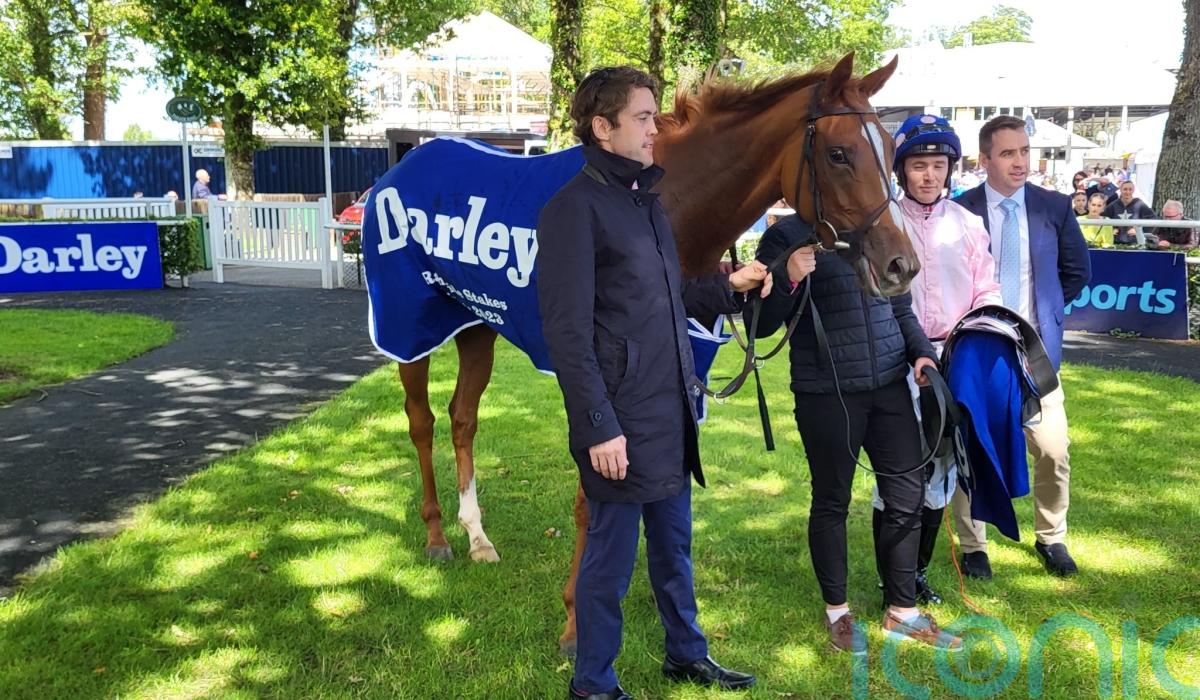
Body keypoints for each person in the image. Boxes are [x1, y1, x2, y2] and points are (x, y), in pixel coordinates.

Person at [537, 65, 760, 700]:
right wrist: (598, 427)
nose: (653, 128)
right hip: (620, 422)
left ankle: (686, 654)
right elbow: (568, 334)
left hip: (669, 409)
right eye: (641, 117)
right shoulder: (572, 210)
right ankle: (593, 682)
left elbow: (669, 297)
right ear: (601, 127)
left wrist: (728, 287)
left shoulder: (647, 202)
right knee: (609, 562)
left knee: (674, 547)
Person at [751, 215, 963, 654]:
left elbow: (900, 307)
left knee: (907, 494)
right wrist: (788, 277)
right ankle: (838, 613)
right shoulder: (784, 236)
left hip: (889, 385)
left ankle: (902, 612)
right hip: (826, 392)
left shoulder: (878, 226)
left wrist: (922, 354)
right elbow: (763, 322)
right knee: (832, 500)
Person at [952, 115, 1090, 579]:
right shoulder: (960, 211)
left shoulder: (1054, 206)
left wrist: (1042, 316)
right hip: (979, 352)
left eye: (1025, 151)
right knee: (973, 445)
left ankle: (1051, 537)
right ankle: (974, 546)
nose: (1020, 161)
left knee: (1053, 449)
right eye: (1008, 153)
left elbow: (1077, 271)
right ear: (985, 159)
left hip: (1036, 353)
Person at [872, 115, 1002, 607]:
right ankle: (892, 580)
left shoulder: (968, 224)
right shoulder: (885, 219)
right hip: (893, 359)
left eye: (938, 165)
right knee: (897, 472)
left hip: (952, 358)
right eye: (918, 166)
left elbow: (986, 290)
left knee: (941, 472)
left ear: (950, 169)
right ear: (901, 171)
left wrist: (981, 343)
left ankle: (916, 574)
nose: (929, 175)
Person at [1105, 181, 1158, 246]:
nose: (1127, 192)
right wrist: (1111, 229)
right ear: (1120, 190)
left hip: (1135, 243)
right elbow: (1102, 218)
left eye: (1130, 189)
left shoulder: (1139, 204)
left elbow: (1153, 219)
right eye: (1125, 189)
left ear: (1133, 190)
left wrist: (1140, 230)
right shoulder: (1114, 205)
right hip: (1116, 242)